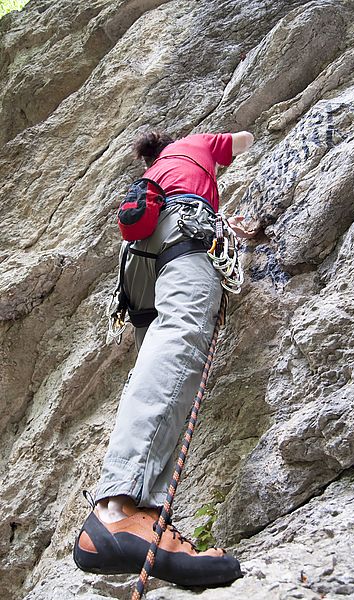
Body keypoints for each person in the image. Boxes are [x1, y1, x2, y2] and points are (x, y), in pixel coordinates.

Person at [73, 130, 256, 587]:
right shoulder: (196, 145)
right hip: (185, 233)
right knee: (179, 339)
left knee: (154, 358)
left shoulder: (153, 176)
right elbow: (244, 140)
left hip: (137, 262)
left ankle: (139, 511)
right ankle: (122, 509)